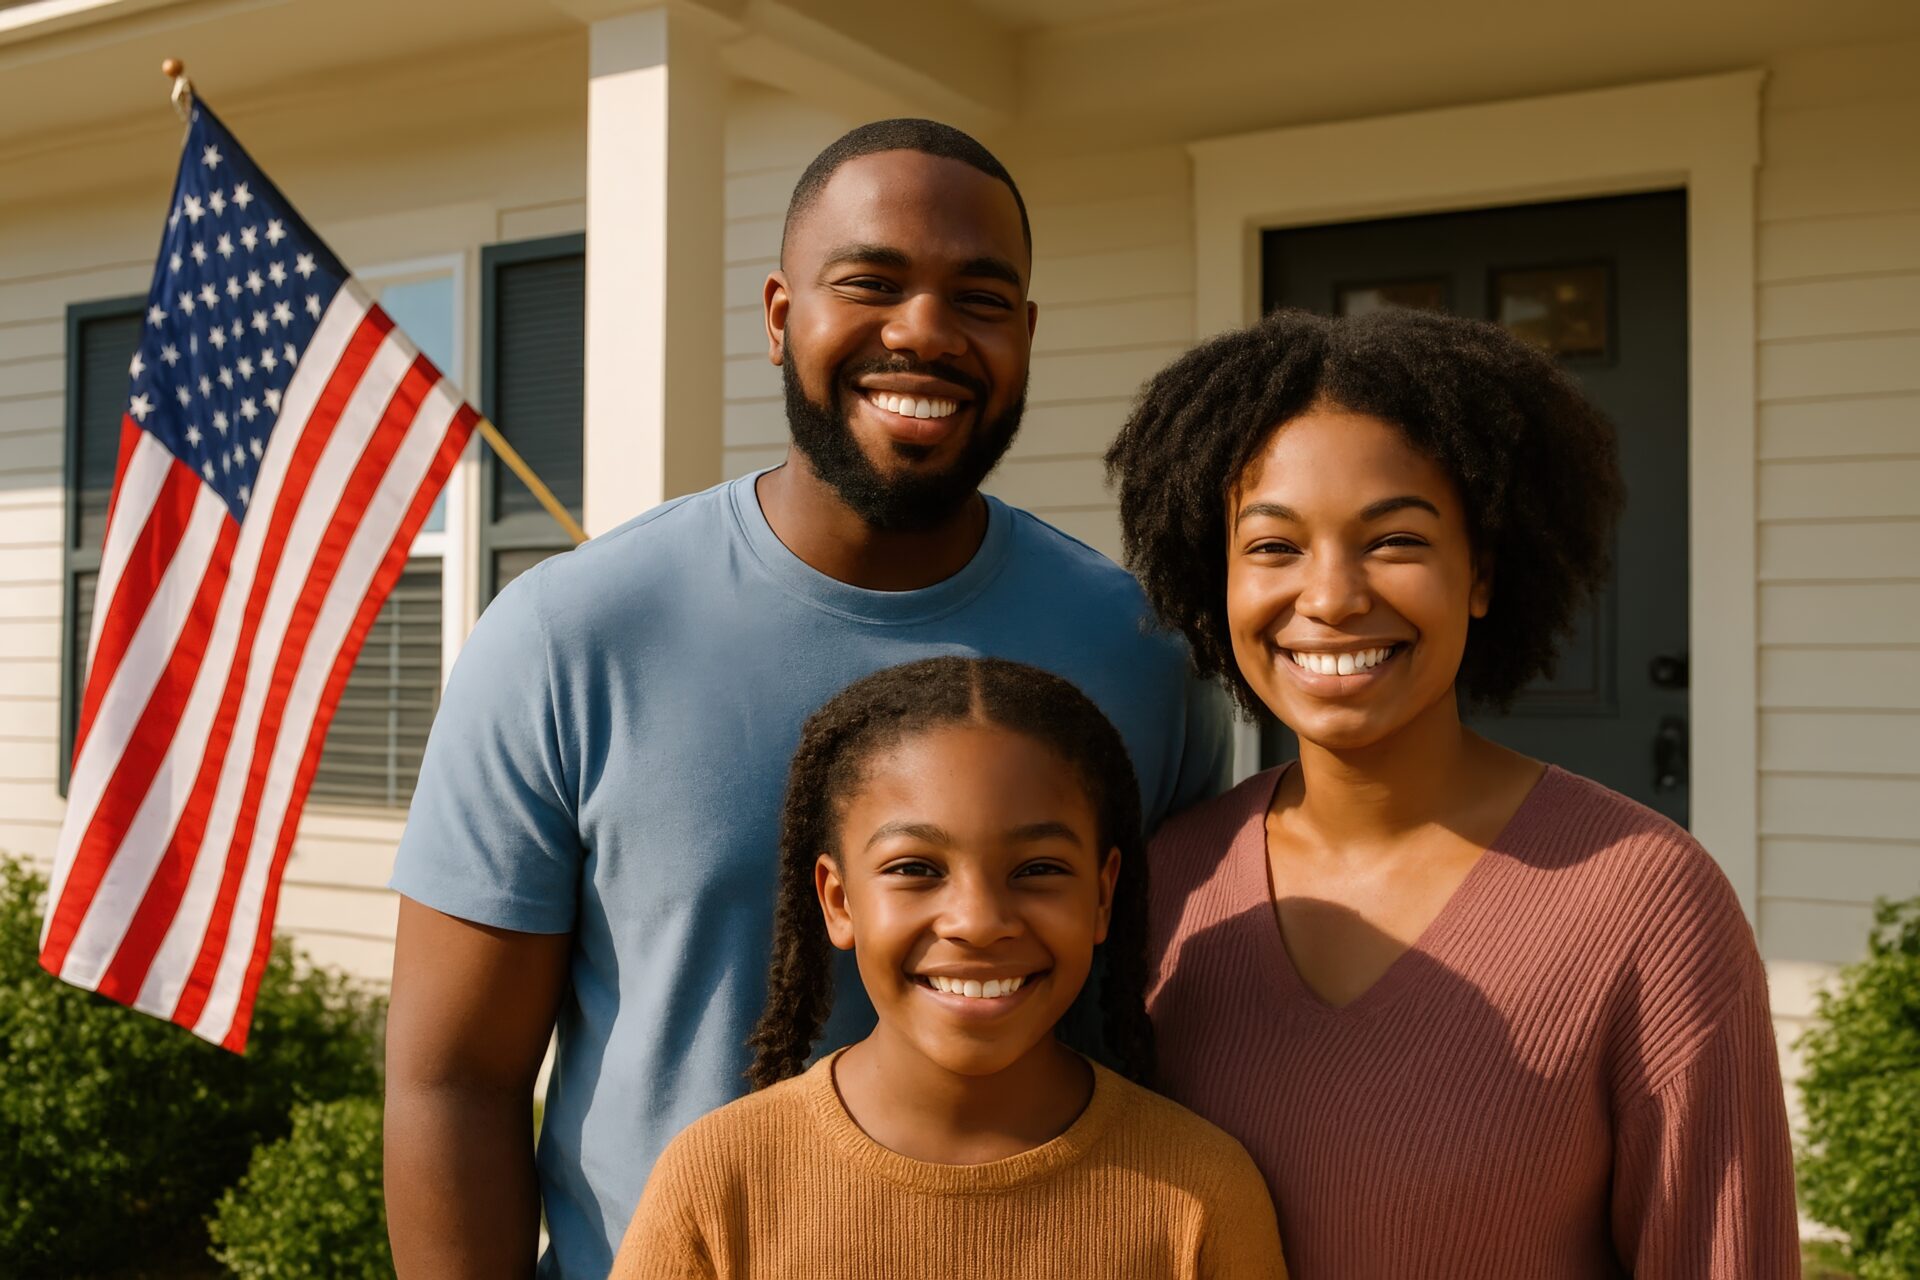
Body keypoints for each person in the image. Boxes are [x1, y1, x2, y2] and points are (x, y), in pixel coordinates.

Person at [383, 120, 1231, 1279]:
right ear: (782, 316)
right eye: (871, 282)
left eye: (979, 297)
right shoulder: (569, 636)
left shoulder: (1137, 651)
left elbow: (1166, 1021)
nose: (924, 331)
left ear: (1026, 335)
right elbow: (454, 1079)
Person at [1106, 306, 1800, 1278]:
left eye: (1394, 539)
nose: (1333, 595)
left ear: (1482, 570)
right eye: (1273, 546)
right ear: (1212, 575)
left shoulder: (1648, 903)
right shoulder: (1165, 888)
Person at [610, 657, 1286, 1279]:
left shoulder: (1202, 1191)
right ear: (838, 901)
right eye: (915, 869)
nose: (979, 920)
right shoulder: (720, 1182)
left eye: (1039, 870)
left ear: (1103, 895)